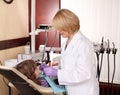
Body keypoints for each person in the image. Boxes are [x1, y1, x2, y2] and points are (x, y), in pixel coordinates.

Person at [43, 9, 99, 95]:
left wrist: (57, 73)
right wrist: (55, 69)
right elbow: (69, 67)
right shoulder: (66, 42)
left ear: (68, 26)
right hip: (72, 90)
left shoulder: (83, 44)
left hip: (84, 91)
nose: (58, 31)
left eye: (60, 29)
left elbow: (83, 73)